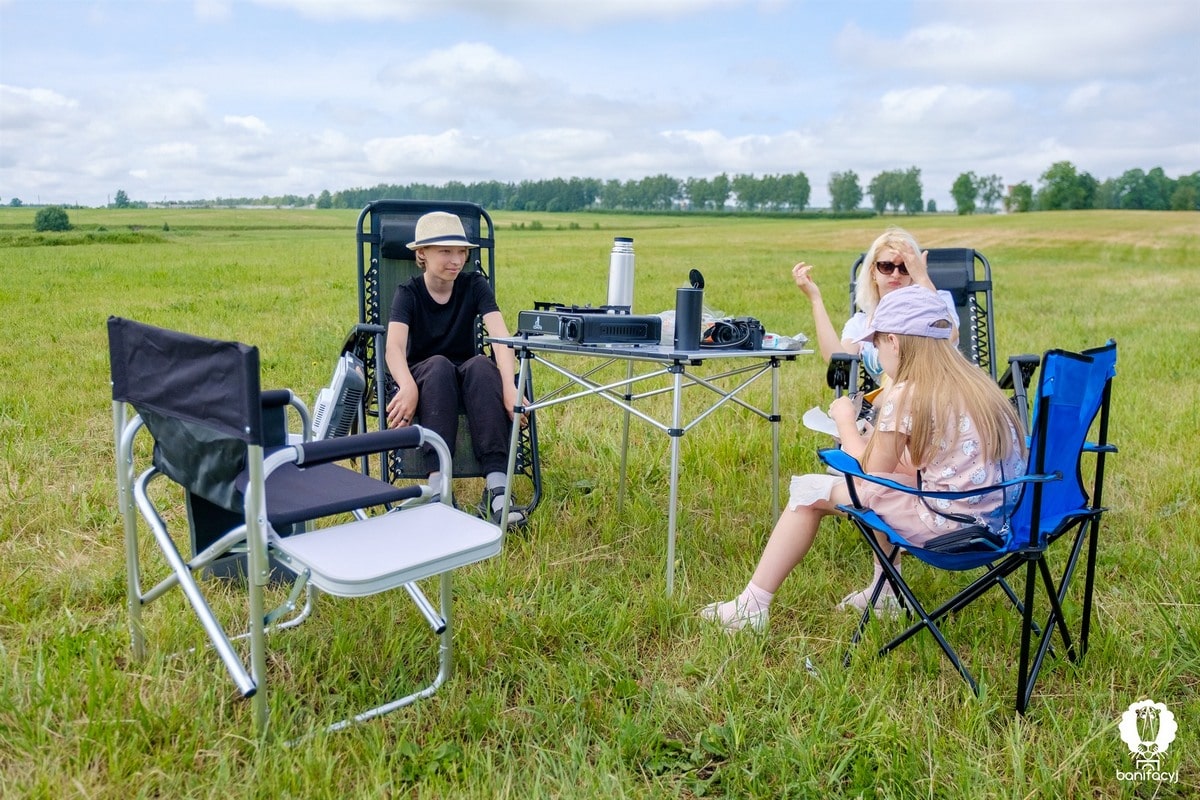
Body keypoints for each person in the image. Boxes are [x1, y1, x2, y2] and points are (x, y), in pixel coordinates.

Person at [700, 286, 1026, 631]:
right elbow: (928, 459)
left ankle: (752, 606)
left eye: (877, 344)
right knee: (882, 488)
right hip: (996, 518)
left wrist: (844, 421)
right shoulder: (975, 383)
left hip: (945, 522)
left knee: (809, 494)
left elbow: (871, 472)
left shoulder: (908, 392)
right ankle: (885, 594)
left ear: (894, 343)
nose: (877, 352)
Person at [384, 211, 525, 527]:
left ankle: (498, 489)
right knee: (438, 366)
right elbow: (393, 347)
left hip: (467, 377)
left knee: (480, 366)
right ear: (422, 254)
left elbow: (500, 338)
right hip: (425, 375)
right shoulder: (408, 292)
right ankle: (439, 487)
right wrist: (407, 385)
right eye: (445, 251)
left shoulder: (475, 285)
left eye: (462, 251)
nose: (456, 259)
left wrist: (509, 386)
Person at [792, 226, 957, 380]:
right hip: (890, 405)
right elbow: (838, 360)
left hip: (938, 398)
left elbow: (949, 335)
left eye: (904, 267)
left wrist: (922, 278)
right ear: (873, 272)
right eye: (886, 266)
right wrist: (816, 299)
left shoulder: (937, 302)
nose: (895, 274)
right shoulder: (863, 323)